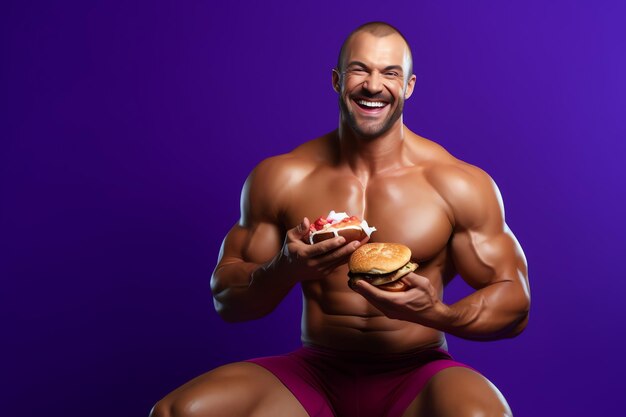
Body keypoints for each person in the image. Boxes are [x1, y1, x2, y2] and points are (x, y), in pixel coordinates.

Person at [150, 21, 530, 417]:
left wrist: (438, 313)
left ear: (410, 86)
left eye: (390, 73)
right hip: (314, 375)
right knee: (177, 412)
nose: (373, 85)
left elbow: (516, 303)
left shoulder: (456, 183)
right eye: (360, 70)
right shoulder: (284, 177)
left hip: (416, 374)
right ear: (336, 80)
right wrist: (284, 267)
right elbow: (226, 300)